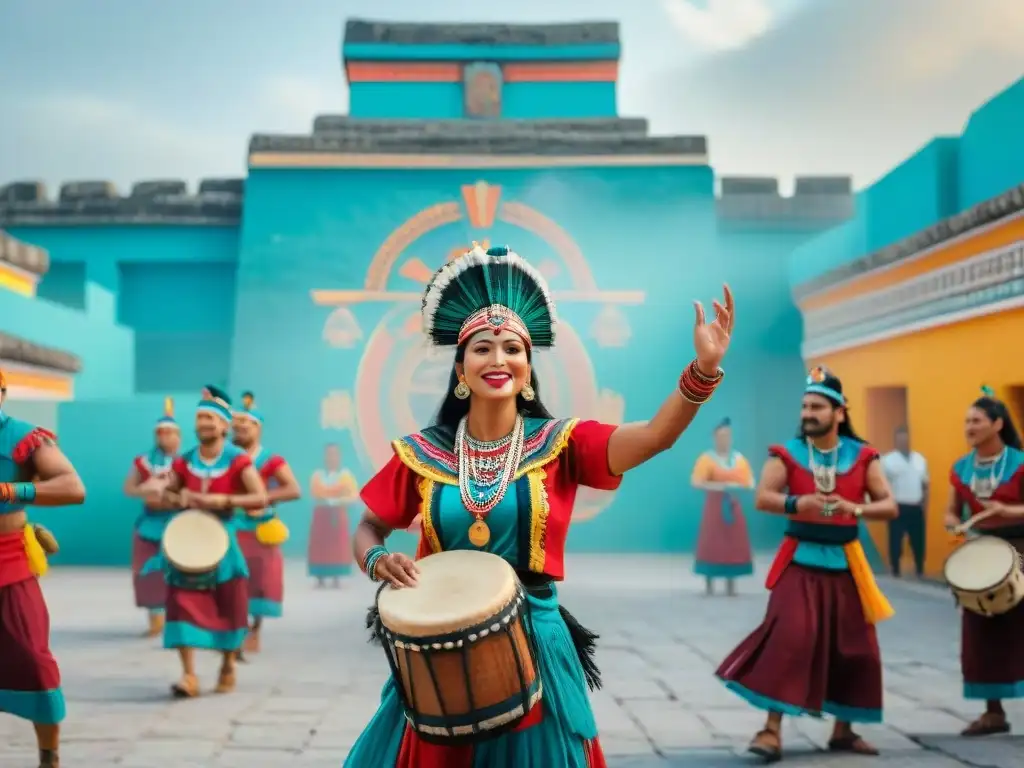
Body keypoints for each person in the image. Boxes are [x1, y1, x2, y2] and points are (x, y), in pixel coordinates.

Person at [343, 243, 734, 767]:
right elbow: (369, 526)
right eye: (482, 348)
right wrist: (376, 560)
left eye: (512, 348)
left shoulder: (562, 443)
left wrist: (703, 371)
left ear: (528, 367)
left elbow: (656, 436)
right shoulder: (424, 453)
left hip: (534, 636)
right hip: (438, 643)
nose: (498, 359)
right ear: (461, 369)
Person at [716, 366, 898, 762]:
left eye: (817, 406)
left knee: (856, 648)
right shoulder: (787, 454)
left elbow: (889, 505)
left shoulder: (864, 456)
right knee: (791, 639)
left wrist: (857, 508)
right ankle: (771, 730)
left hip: (848, 563)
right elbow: (763, 497)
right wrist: (800, 504)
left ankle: (843, 731)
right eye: (804, 406)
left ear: (839, 412)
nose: (808, 413)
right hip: (799, 560)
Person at [148, 385, 268, 698]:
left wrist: (219, 499)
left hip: (222, 536)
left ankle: (228, 662)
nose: (203, 424)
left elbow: (260, 497)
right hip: (186, 537)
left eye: (210, 419)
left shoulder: (237, 459)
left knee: (229, 601)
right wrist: (175, 495)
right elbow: (169, 494)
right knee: (180, 601)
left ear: (224, 426)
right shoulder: (185, 460)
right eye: (200, 418)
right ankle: (188, 675)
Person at [0, 367, 86, 768]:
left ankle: (48, 755)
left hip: (8, 560)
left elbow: (73, 486)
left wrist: (13, 490)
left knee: (33, 659)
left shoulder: (23, 436)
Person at [945, 387, 1024, 737]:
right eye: (966, 421)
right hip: (982, 554)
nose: (969, 427)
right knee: (982, 632)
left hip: (1020, 549)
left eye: (976, 420)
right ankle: (993, 712)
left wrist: (1008, 510)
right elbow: (951, 511)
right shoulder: (961, 469)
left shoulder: (1020, 464)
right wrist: (952, 524)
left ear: (997, 424)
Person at [232, 392, 301, 657]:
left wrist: (262, 498)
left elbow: (293, 489)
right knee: (233, 577)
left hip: (261, 527)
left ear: (257, 429)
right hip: (234, 525)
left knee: (260, 581)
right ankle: (235, 630)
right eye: (236, 426)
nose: (239, 430)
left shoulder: (271, 460)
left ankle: (254, 630)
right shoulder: (229, 457)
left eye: (245, 425)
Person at [123, 398, 181, 637]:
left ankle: (178, 618)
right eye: (160, 433)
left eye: (169, 433)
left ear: (178, 436)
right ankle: (154, 620)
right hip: (150, 521)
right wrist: (147, 490)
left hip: (177, 522)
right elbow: (129, 488)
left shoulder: (186, 461)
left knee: (178, 571)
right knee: (148, 571)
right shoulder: (144, 462)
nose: (164, 438)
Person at [691, 417, 755, 596]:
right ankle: (709, 583)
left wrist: (736, 487)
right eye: (720, 436)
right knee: (712, 543)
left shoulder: (738, 459)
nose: (723, 440)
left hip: (733, 507)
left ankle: (731, 583)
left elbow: (750, 482)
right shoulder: (707, 459)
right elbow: (696, 481)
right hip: (714, 507)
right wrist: (717, 486)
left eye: (726, 436)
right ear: (714, 438)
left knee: (732, 544)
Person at [881, 425, 929, 577]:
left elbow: (925, 484)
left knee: (918, 540)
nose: (904, 441)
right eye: (900, 438)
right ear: (896, 440)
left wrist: (925, 505)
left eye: (906, 438)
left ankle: (920, 569)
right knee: (895, 539)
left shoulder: (920, 460)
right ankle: (895, 569)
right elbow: (882, 486)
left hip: (916, 505)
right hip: (897, 505)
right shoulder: (888, 460)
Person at [307, 443, 357, 587]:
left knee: (337, 544)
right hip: (321, 514)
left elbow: (353, 495)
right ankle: (320, 576)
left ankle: (336, 575)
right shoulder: (318, 475)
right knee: (320, 544)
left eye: (334, 454)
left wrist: (337, 500)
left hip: (338, 513)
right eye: (329, 454)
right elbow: (314, 492)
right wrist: (327, 497)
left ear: (339, 456)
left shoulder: (345, 476)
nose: (331, 457)